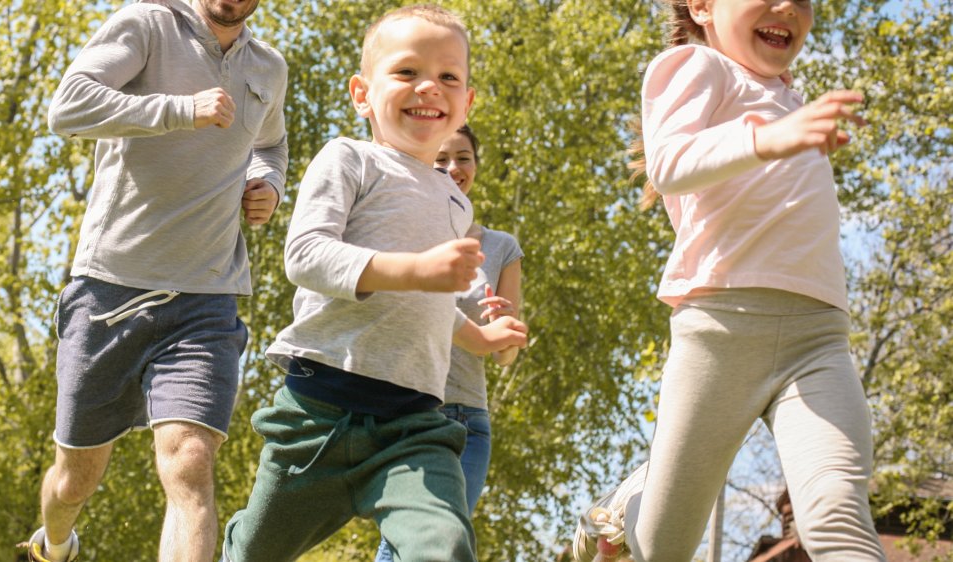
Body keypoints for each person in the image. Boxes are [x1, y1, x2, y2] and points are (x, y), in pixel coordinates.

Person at [573, 0, 883, 561]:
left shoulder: (790, 99)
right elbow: (669, 163)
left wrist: (788, 127)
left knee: (839, 510)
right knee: (661, 548)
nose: (789, 7)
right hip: (721, 330)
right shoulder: (698, 66)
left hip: (818, 340)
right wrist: (770, 137)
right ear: (703, 6)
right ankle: (627, 510)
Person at [221, 5, 528, 561]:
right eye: (407, 72)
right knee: (254, 554)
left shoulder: (457, 202)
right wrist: (415, 269)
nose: (429, 86)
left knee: (446, 544)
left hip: (413, 426)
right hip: (320, 412)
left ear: (466, 105)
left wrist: (478, 338)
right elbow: (307, 256)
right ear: (362, 94)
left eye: (449, 76)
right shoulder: (350, 160)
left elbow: (427, 304)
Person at [20, 0, 288, 560]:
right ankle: (54, 541)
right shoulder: (147, 24)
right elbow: (67, 107)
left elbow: (269, 143)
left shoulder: (267, 67)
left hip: (207, 294)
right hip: (111, 287)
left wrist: (267, 184)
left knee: (191, 459)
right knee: (75, 480)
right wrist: (177, 109)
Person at [373, 124, 525, 562]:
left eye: (463, 158)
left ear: (476, 167)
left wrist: (505, 325)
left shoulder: (501, 248)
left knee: (443, 542)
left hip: (469, 420)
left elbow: (505, 354)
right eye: (441, 158)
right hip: (409, 409)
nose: (453, 168)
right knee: (412, 540)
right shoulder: (401, 231)